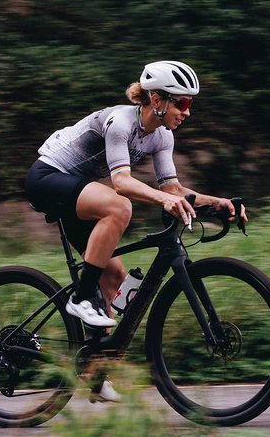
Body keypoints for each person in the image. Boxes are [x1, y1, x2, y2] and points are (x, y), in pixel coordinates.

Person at [24, 60, 246, 402]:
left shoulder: (162, 137)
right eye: (182, 103)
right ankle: (81, 299)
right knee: (119, 205)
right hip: (47, 177)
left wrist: (218, 203)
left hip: (77, 188)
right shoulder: (120, 122)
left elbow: (172, 188)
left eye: (191, 104)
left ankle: (93, 374)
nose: (187, 112)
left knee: (113, 277)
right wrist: (163, 201)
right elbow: (122, 183)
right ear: (156, 100)